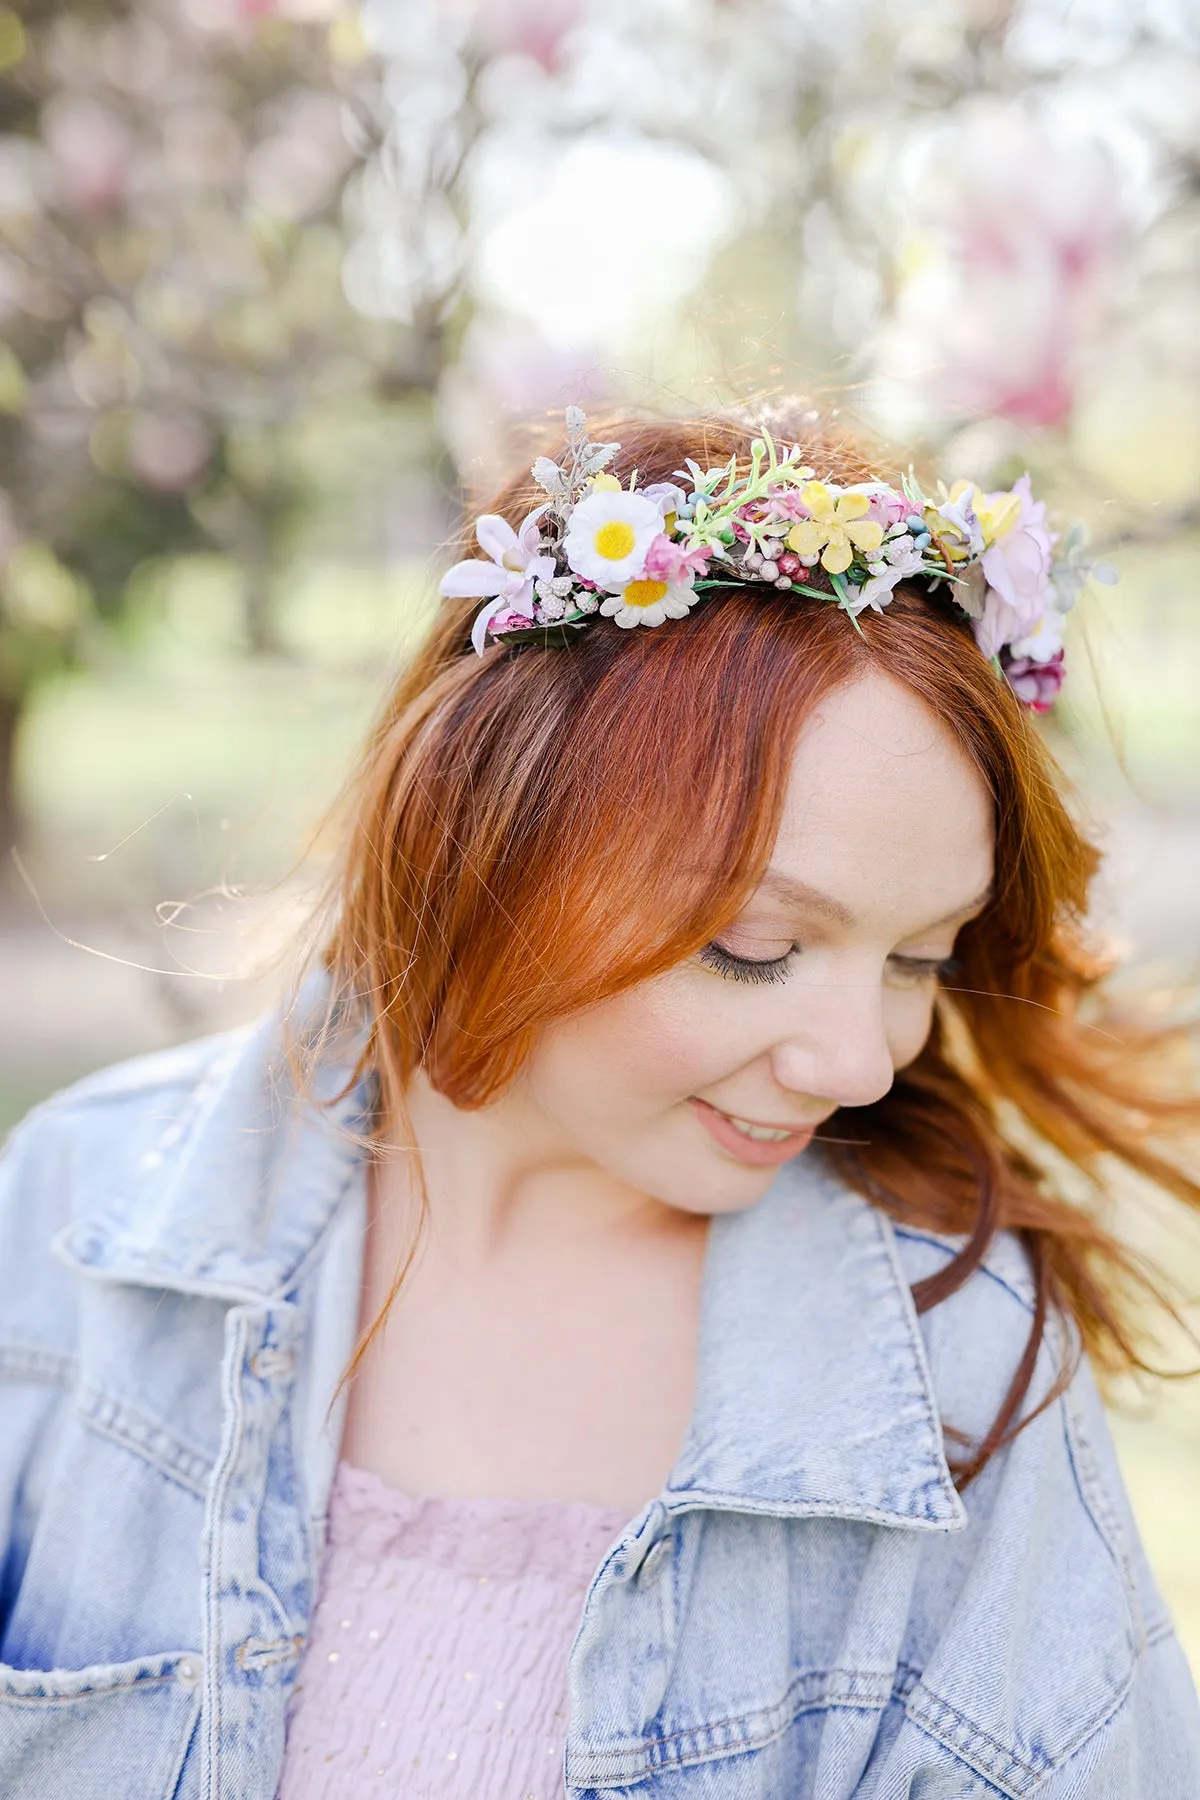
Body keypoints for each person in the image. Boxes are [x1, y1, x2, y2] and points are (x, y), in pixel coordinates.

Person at [1, 405, 1198, 1800]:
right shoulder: (79, 1214)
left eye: (919, 958)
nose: (862, 1064)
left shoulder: (957, 1375)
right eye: (754, 952)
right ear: (492, 840)